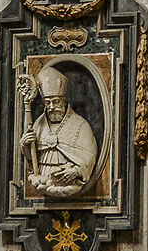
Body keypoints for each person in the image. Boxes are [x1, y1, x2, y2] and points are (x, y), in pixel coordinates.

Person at [19, 61, 99, 198]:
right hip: (43, 179)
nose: (51, 107)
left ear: (64, 101)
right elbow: (32, 160)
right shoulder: (37, 125)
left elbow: (89, 156)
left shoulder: (80, 125)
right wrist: (25, 145)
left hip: (69, 180)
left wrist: (76, 171)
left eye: (55, 101)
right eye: (47, 102)